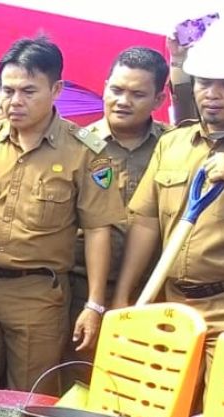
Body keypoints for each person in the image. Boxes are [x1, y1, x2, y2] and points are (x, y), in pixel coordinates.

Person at [0, 36, 125, 393]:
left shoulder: (89, 154)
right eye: (8, 90)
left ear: (56, 89)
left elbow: (97, 231)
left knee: (29, 400)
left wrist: (94, 303)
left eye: (28, 91)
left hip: (38, 294)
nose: (15, 101)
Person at [112, 22, 224, 385]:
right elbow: (146, 222)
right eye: (203, 83)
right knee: (159, 415)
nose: (212, 94)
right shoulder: (173, 143)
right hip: (170, 305)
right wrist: (123, 298)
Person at [64, 47, 168, 387]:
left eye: (137, 94)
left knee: (136, 387)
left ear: (158, 99)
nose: (123, 101)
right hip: (79, 288)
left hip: (149, 294)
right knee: (77, 382)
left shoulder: (173, 146)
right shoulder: (76, 145)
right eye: (116, 90)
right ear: (105, 85)